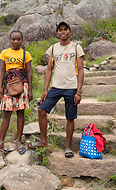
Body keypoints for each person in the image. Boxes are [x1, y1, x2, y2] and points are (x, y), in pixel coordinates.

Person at [28, 22, 84, 157]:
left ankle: (68, 147)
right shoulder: (53, 48)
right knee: (42, 110)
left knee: (70, 117)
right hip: (56, 87)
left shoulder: (76, 48)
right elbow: (48, 70)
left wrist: (79, 91)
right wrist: (45, 89)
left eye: (65, 29)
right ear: (57, 33)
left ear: (70, 32)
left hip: (71, 88)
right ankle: (43, 142)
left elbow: (81, 70)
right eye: (60, 30)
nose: (63, 32)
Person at [0, 30, 33, 155]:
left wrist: (29, 90)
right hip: (8, 86)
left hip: (22, 85)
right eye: (13, 39)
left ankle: (18, 141)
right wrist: (0, 88)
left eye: (18, 39)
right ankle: (1, 141)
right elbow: (2, 71)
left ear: (22, 40)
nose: (16, 41)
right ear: (10, 40)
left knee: (20, 113)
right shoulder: (4, 53)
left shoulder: (26, 54)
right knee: (6, 114)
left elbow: (29, 72)